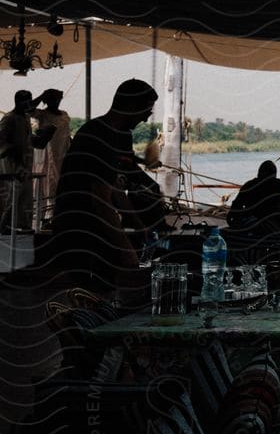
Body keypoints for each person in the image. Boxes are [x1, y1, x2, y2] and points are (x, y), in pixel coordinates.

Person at [39, 79, 162, 297]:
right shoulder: (98, 135)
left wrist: (139, 226)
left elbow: (114, 188)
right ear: (132, 106)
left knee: (107, 290)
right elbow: (101, 200)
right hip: (78, 228)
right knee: (91, 295)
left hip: (95, 226)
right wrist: (126, 250)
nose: (146, 117)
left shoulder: (120, 134)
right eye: (146, 110)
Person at [227, 160, 280, 238]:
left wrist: (234, 222)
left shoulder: (249, 185)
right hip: (273, 224)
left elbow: (235, 208)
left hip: (253, 223)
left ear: (259, 173)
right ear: (274, 175)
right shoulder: (279, 185)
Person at [32, 89, 72, 218]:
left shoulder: (64, 115)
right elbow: (27, 109)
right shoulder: (42, 114)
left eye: (58, 99)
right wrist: (42, 95)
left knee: (60, 183)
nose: (56, 102)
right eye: (53, 99)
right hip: (47, 155)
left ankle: (56, 215)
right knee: (46, 183)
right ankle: (43, 217)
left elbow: (67, 135)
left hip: (62, 153)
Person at [0, 90, 34, 232]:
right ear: (18, 102)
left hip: (25, 165)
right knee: (11, 198)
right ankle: (4, 227)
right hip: (12, 165)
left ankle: (22, 226)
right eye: (27, 101)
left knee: (25, 197)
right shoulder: (9, 118)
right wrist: (12, 150)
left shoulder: (25, 118)